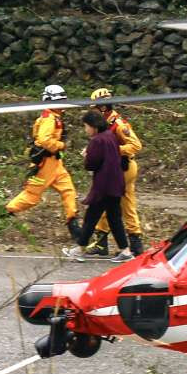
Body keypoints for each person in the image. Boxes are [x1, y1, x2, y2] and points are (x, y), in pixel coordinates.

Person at [5, 84, 82, 241]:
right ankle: (3, 213)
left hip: (55, 163)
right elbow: (44, 139)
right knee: (31, 196)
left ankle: (73, 222)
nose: (62, 105)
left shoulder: (54, 117)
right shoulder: (48, 119)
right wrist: (61, 145)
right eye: (59, 101)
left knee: (68, 191)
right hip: (44, 165)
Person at [82, 87, 145, 257]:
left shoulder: (118, 124)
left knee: (109, 204)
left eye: (94, 107)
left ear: (102, 108)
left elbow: (136, 145)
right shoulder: (103, 124)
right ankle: (132, 243)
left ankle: (106, 242)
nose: (92, 111)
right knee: (122, 205)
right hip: (116, 168)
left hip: (123, 168)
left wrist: (112, 150)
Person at [62, 110, 132, 262]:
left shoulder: (97, 140)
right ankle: (125, 251)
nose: (85, 129)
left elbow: (91, 164)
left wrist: (86, 156)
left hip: (103, 185)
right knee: (114, 218)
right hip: (116, 182)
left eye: (86, 126)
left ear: (93, 126)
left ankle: (80, 249)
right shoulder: (111, 137)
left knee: (91, 217)